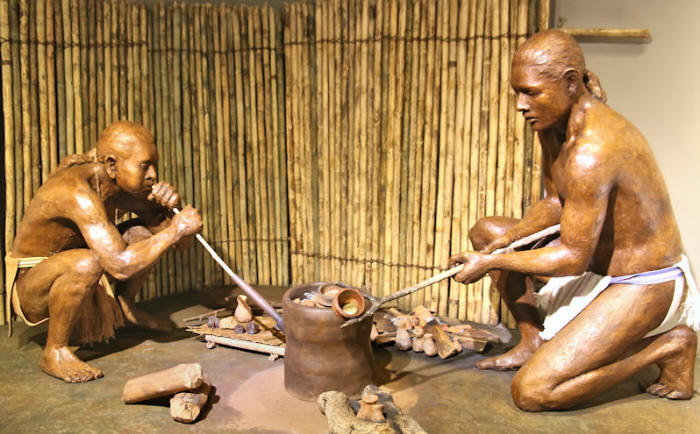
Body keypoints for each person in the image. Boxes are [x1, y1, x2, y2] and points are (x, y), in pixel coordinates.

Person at [449, 29, 698, 411]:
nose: (520, 104)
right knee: (488, 232)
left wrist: (494, 262)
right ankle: (532, 342)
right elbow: (554, 203)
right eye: (517, 91)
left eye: (530, 92)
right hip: (592, 260)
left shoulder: (594, 150)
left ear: (570, 83)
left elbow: (571, 257)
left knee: (532, 393)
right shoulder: (554, 126)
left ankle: (669, 346)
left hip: (643, 281)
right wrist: (507, 240)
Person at [5, 120, 202, 383]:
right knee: (87, 262)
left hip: (78, 271)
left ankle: (125, 308)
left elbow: (181, 245)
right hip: (31, 288)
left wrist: (170, 211)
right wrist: (176, 230)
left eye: (154, 164)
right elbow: (120, 266)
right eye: (144, 166)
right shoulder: (76, 193)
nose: (153, 174)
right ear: (111, 164)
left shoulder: (125, 187)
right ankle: (55, 351)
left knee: (141, 235)